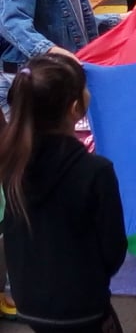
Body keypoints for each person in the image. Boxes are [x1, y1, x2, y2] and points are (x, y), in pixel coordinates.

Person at [0, 54, 127, 332]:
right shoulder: (96, 171)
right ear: (75, 108)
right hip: (83, 308)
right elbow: (113, 251)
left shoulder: (11, 164)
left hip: (30, 305)